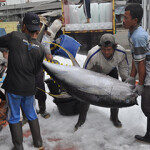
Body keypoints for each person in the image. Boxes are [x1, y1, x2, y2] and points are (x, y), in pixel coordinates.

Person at [0, 12, 45, 149]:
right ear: (37, 29)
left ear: (24, 26)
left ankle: (19, 147)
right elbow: (37, 71)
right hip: (29, 88)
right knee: (31, 113)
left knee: (14, 116)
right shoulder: (40, 48)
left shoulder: (14, 36)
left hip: (13, 87)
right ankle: (38, 143)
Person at [75, 33, 129, 130]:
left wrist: (126, 83)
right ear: (100, 47)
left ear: (114, 47)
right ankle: (81, 119)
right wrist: (85, 86)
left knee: (115, 95)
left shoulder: (121, 52)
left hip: (111, 71)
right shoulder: (93, 54)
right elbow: (85, 72)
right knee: (86, 96)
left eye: (109, 49)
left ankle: (114, 118)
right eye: (103, 49)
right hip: (94, 72)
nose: (106, 52)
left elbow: (123, 68)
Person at [123, 3, 150, 143]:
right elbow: (135, 57)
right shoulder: (131, 31)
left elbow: (142, 63)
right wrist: (132, 77)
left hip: (148, 72)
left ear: (135, 20)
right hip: (145, 68)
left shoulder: (138, 36)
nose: (123, 20)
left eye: (126, 17)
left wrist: (141, 84)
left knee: (147, 106)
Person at [36, 16, 53, 118]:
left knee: (40, 89)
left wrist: (53, 62)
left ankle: (42, 110)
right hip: (25, 69)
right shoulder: (25, 36)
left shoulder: (44, 38)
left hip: (38, 68)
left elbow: (48, 54)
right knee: (28, 92)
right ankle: (30, 112)